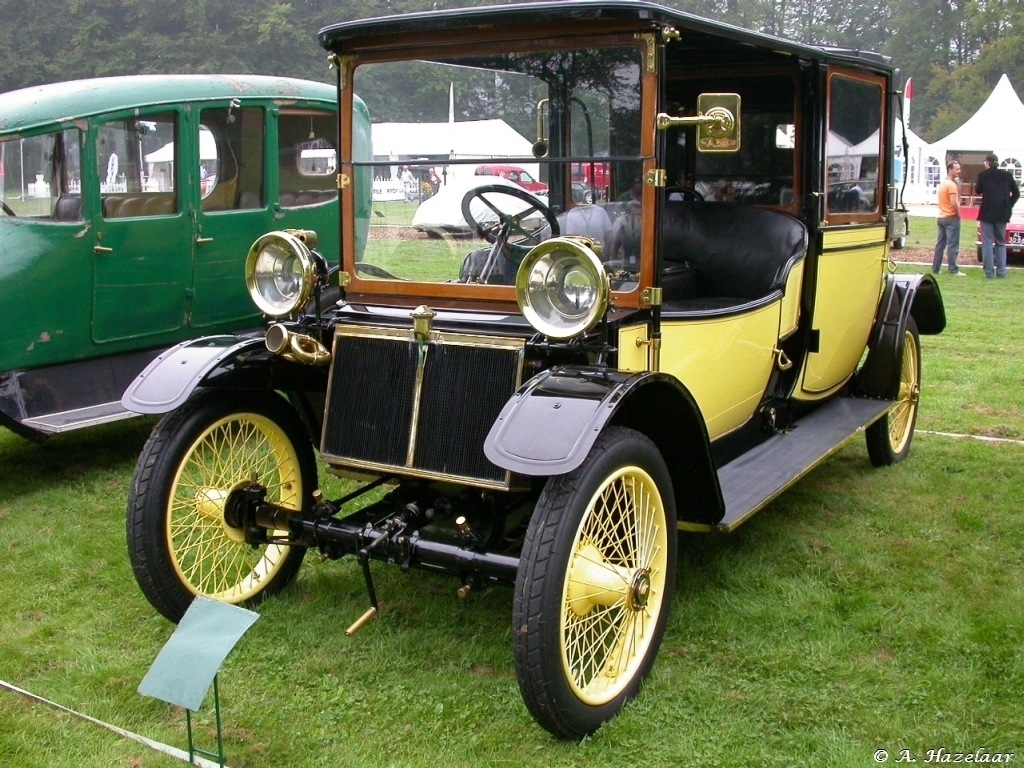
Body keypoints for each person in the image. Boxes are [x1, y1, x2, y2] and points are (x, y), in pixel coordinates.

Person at [975, 152, 1021, 279]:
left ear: (988, 163)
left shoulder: (983, 176)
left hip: (987, 213)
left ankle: (989, 273)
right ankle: (1001, 272)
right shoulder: (1007, 176)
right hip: (1002, 213)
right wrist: (1008, 205)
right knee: (1001, 242)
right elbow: (1016, 193)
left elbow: (978, 190)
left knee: (987, 243)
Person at [932, 160, 964, 276]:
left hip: (941, 217)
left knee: (940, 244)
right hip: (951, 217)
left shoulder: (943, 183)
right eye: (956, 169)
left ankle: (936, 268)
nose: (959, 171)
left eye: (959, 169)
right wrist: (958, 214)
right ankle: (953, 269)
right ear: (950, 169)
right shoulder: (951, 185)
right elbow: (954, 203)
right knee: (953, 244)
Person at [607, 199, 642, 264]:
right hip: (625, 264)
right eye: (633, 215)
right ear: (629, 214)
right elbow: (614, 247)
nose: (637, 218)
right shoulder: (622, 227)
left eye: (639, 215)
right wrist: (615, 262)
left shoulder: (648, 228)